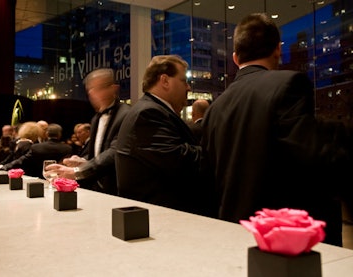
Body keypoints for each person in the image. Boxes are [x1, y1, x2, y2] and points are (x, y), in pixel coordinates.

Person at [200, 13, 353, 246]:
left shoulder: (214, 108)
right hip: (281, 240)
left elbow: (210, 178)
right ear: (277, 50)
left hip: (232, 235)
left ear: (235, 57)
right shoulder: (288, 85)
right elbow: (311, 156)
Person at [115, 55, 215, 217]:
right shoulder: (148, 113)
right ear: (165, 81)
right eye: (184, 81)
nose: (188, 88)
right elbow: (180, 160)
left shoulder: (152, 110)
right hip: (163, 218)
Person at [44, 68, 131, 195]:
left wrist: (77, 172)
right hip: (96, 188)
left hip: (117, 189)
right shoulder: (95, 118)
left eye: (97, 88)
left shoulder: (126, 114)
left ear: (114, 88)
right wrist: (82, 161)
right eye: (89, 90)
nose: (92, 93)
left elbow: (115, 153)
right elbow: (98, 154)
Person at [1, 123, 72, 178]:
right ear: (60, 134)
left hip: (38, 181)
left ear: (46, 134)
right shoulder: (68, 148)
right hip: (60, 180)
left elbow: (21, 161)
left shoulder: (36, 147)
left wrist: (3, 167)